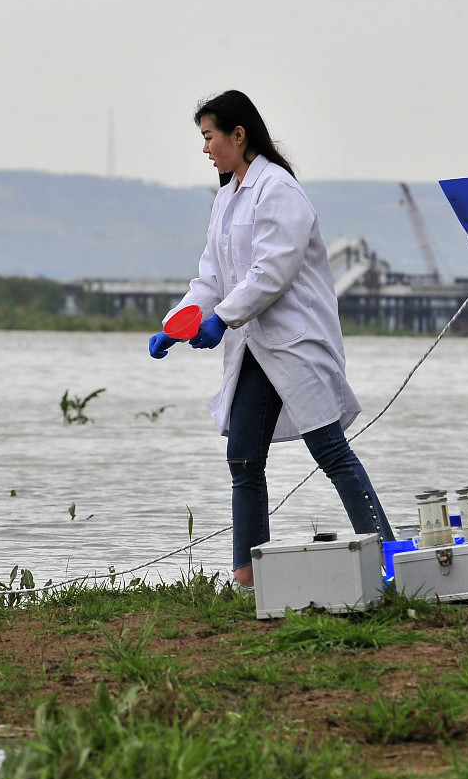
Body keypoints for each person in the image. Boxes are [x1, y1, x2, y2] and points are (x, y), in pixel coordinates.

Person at [150, 90, 393, 587]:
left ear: (239, 135)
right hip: (254, 346)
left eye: (209, 136)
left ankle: (388, 558)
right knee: (242, 457)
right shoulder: (227, 195)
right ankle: (247, 574)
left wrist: (222, 319)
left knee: (330, 450)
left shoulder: (278, 189)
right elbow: (210, 277)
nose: (205, 149)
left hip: (294, 342)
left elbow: (271, 273)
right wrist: (178, 323)